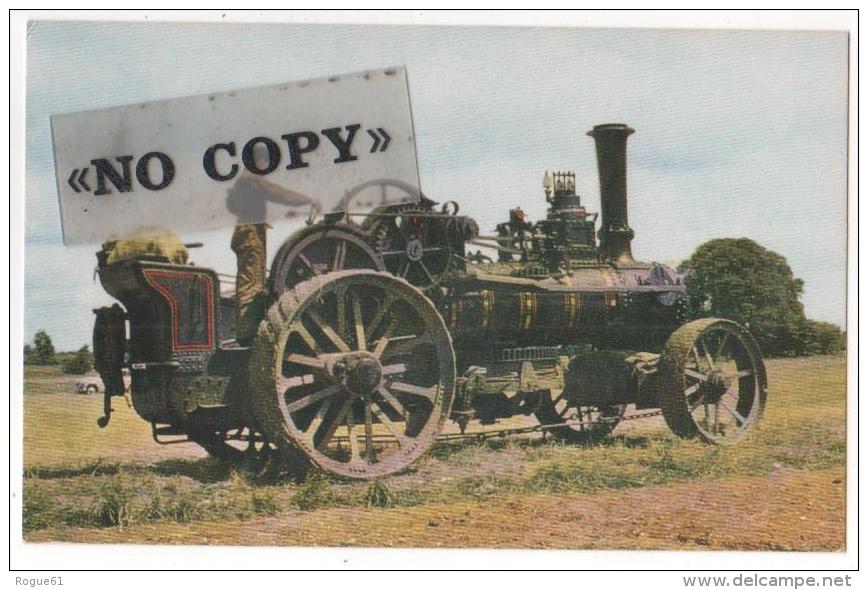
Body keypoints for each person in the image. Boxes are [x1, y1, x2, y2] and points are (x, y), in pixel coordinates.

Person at [226, 144, 321, 344]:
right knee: (251, 283)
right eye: (264, 162)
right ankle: (246, 333)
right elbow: (281, 194)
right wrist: (308, 200)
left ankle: (247, 330)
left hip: (249, 234)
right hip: (251, 236)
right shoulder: (251, 179)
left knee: (253, 280)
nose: (265, 166)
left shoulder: (244, 182)